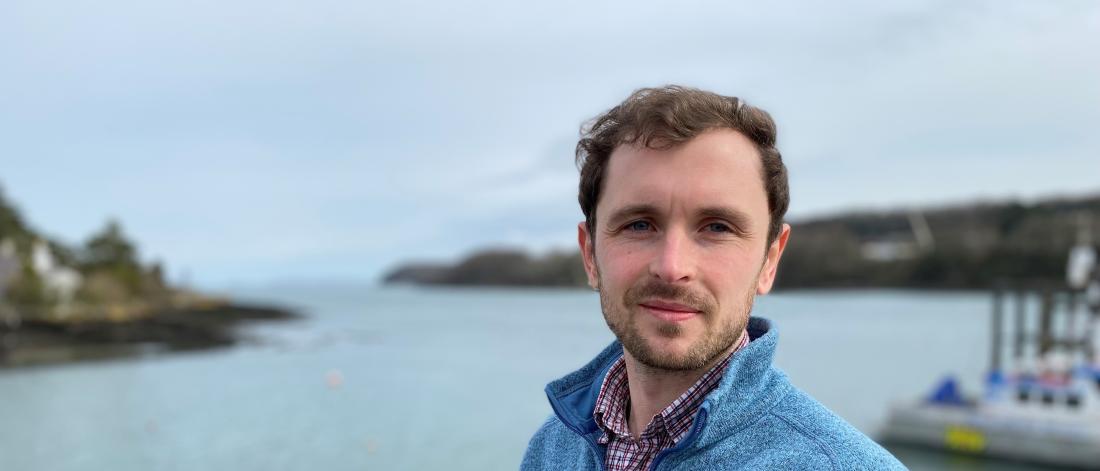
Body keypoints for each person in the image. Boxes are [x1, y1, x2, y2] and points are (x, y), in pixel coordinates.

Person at [521, 86, 905, 470]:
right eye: (639, 224)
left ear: (770, 260)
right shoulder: (553, 449)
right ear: (589, 253)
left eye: (717, 227)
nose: (672, 267)